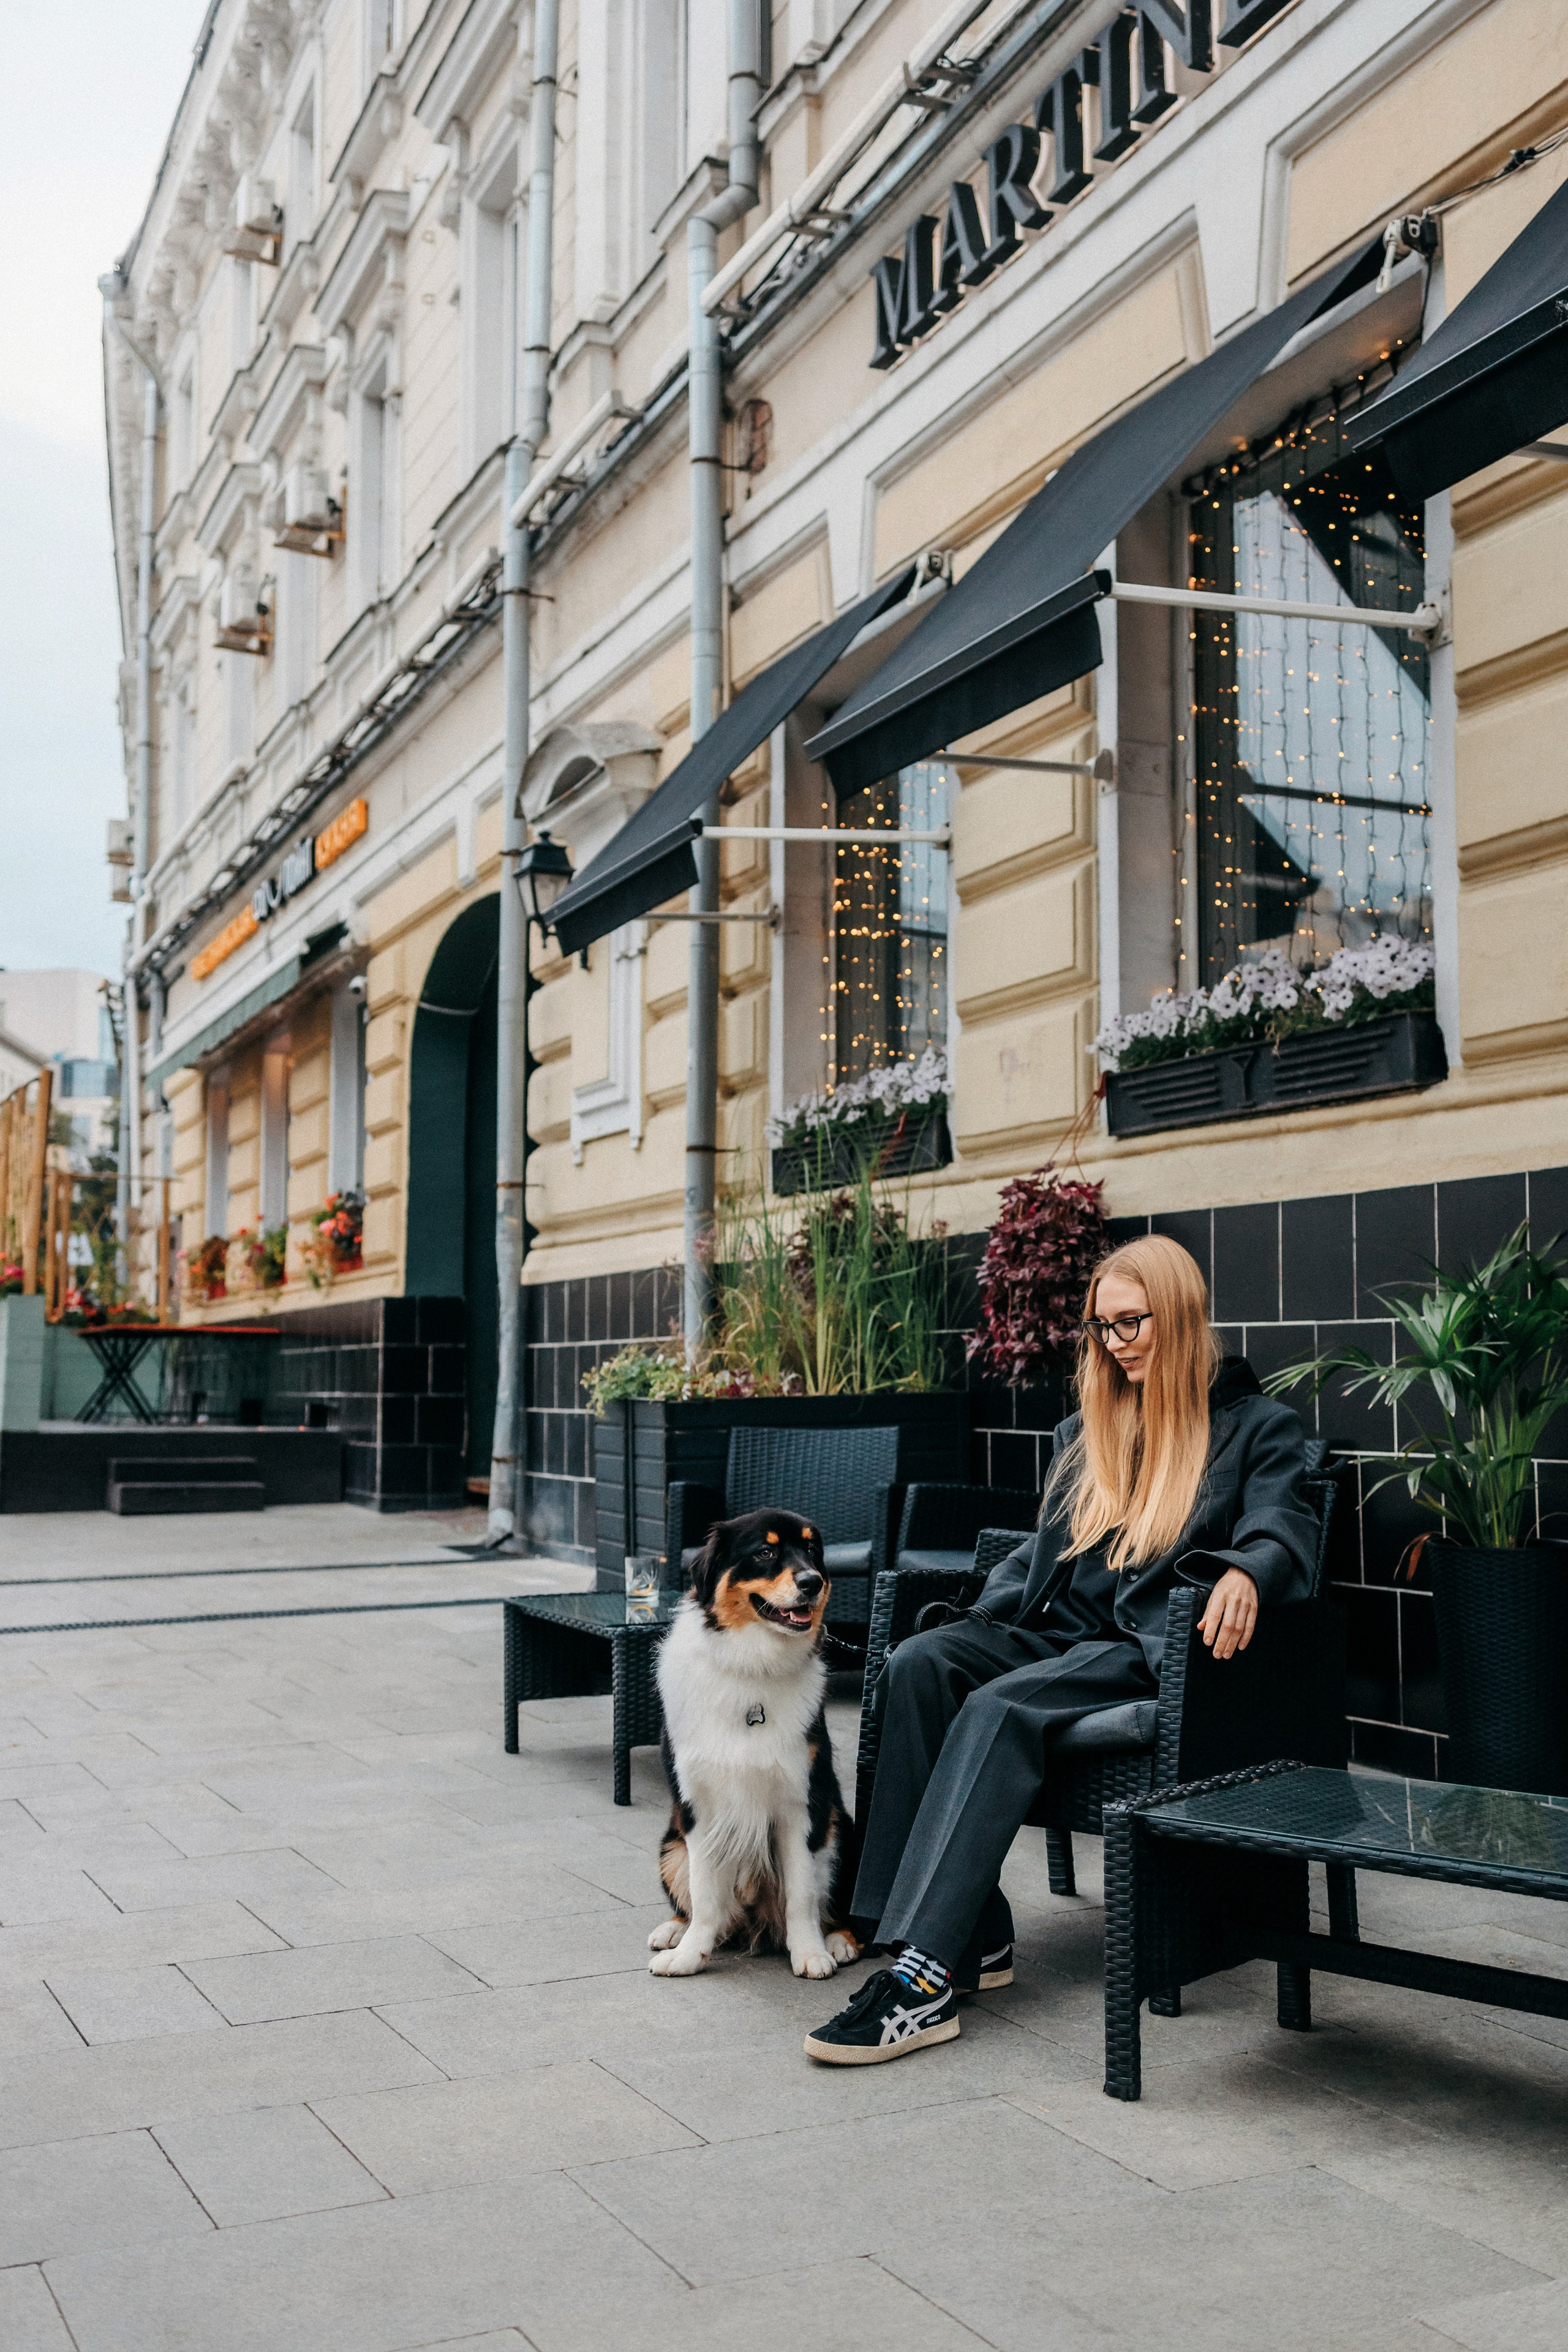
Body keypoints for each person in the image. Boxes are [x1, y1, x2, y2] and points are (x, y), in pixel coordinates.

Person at [804, 1231, 1318, 2065]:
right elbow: (1040, 1550)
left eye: (1132, 1323)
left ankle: (924, 1973)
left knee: (1000, 1707)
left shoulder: (1256, 1428)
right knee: (919, 1666)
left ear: (1180, 1316)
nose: (1117, 1346)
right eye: (1103, 1329)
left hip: (1138, 1644)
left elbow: (1285, 1523)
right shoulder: (1090, 1428)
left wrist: (1248, 1573)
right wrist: (973, 1617)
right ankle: (971, 1935)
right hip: (1056, 1627)